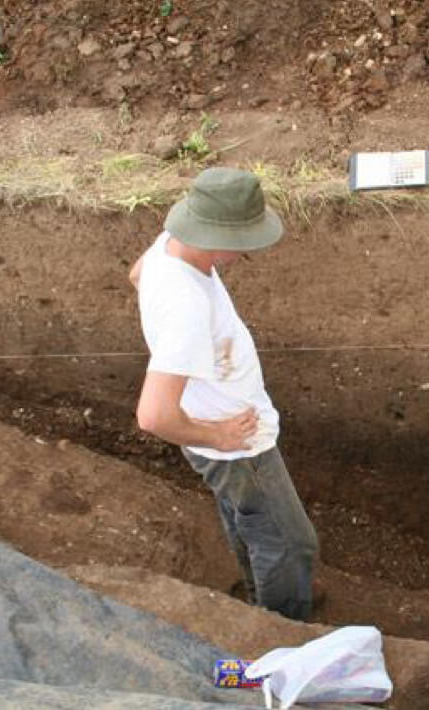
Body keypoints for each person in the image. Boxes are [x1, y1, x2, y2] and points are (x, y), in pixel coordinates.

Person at [128, 167, 319, 621]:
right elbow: (153, 416)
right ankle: (282, 624)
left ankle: (259, 594)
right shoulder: (186, 306)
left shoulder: (166, 247)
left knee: (247, 517)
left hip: (212, 427)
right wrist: (219, 437)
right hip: (236, 445)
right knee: (290, 542)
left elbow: (135, 274)